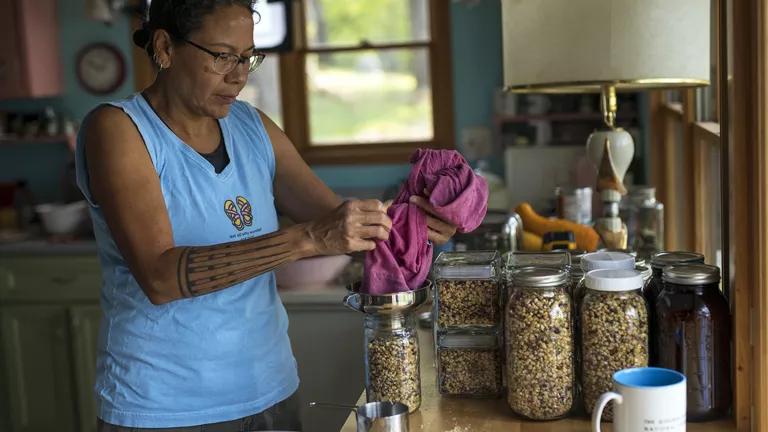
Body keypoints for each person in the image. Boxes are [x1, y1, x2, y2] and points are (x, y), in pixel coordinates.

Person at [75, 1, 458, 431]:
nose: (239, 75)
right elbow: (161, 278)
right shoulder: (119, 131)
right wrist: (308, 238)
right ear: (165, 47)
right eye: (221, 56)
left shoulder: (251, 126)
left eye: (248, 57)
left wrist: (414, 221)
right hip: (165, 405)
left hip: (269, 390)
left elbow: (339, 220)